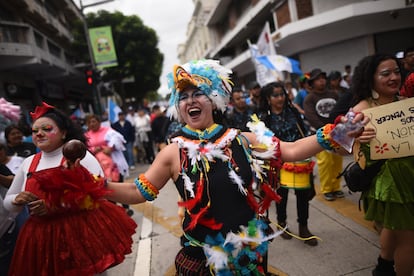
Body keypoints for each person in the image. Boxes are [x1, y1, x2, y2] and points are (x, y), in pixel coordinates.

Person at [105, 59, 366, 275]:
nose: (190, 100)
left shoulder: (242, 139)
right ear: (179, 107)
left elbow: (292, 150)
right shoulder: (173, 152)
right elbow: (138, 191)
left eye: (198, 94)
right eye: (183, 97)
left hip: (249, 251)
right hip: (202, 256)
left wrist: (336, 132)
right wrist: (96, 186)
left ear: (215, 101)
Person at [3, 102, 136, 275]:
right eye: (35, 131)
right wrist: (16, 200)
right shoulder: (28, 163)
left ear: (64, 132)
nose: (39, 134)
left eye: (46, 128)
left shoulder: (79, 157)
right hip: (41, 240)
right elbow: (8, 202)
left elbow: (96, 196)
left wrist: (53, 206)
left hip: (78, 236)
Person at [351, 53, 414, 276]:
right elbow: (337, 144)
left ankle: (384, 265)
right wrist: (357, 137)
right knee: (409, 238)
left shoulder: (406, 104)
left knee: (394, 224)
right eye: (385, 74)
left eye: (397, 71)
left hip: (410, 176)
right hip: (390, 185)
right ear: (371, 79)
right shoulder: (361, 109)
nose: (394, 77)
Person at [260, 82, 318, 246]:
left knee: (303, 196)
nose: (280, 98)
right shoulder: (265, 118)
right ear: (268, 99)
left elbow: (304, 133)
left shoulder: (293, 112)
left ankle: (304, 228)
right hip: (278, 164)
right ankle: (282, 224)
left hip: (300, 161)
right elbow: (261, 143)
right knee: (281, 197)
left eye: (281, 94)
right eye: (275, 95)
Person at [303, 68, 344, 201]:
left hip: (338, 132)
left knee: (337, 161)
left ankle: (336, 187)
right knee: (325, 162)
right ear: (312, 82)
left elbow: (340, 111)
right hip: (321, 135)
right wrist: (326, 130)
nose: (321, 81)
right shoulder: (309, 98)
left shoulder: (334, 94)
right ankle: (327, 189)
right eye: (318, 79)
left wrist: (338, 127)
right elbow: (311, 117)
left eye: (323, 78)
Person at [85, 114, 129, 182]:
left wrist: (111, 148)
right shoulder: (86, 136)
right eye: (89, 122)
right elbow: (85, 149)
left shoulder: (108, 130)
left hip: (113, 163)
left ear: (99, 122)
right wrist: (94, 150)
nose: (91, 124)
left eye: (93, 121)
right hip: (98, 165)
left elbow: (118, 140)